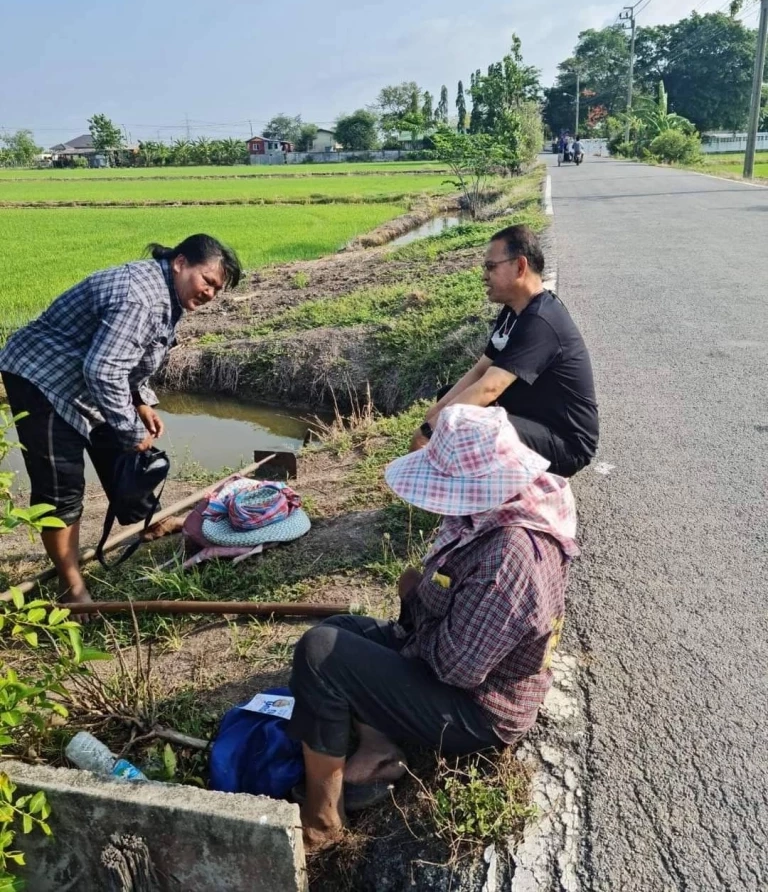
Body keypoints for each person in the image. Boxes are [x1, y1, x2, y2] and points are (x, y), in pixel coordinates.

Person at [288, 404, 579, 853]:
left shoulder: (509, 557)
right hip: (455, 664)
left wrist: (414, 598)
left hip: (476, 708)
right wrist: (422, 600)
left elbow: (452, 669)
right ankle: (378, 747)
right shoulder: (500, 511)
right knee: (343, 629)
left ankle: (323, 821)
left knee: (321, 652)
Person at [0, 234, 241, 608]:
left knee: (123, 454)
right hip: (40, 376)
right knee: (61, 485)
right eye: (207, 281)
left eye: (217, 289)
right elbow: (103, 371)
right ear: (180, 263)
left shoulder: (168, 294)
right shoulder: (141, 297)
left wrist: (140, 401)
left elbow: (133, 356)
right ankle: (71, 585)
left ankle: (149, 521)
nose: (210, 293)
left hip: (83, 376)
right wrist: (129, 428)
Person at [410, 224, 598, 477]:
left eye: (491, 267)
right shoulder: (513, 312)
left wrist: (430, 432)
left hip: (563, 443)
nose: (484, 276)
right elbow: (481, 370)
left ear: (520, 266)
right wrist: (437, 412)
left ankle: (486, 496)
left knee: (469, 425)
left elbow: (490, 387)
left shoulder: (541, 321)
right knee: (451, 405)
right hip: (531, 419)